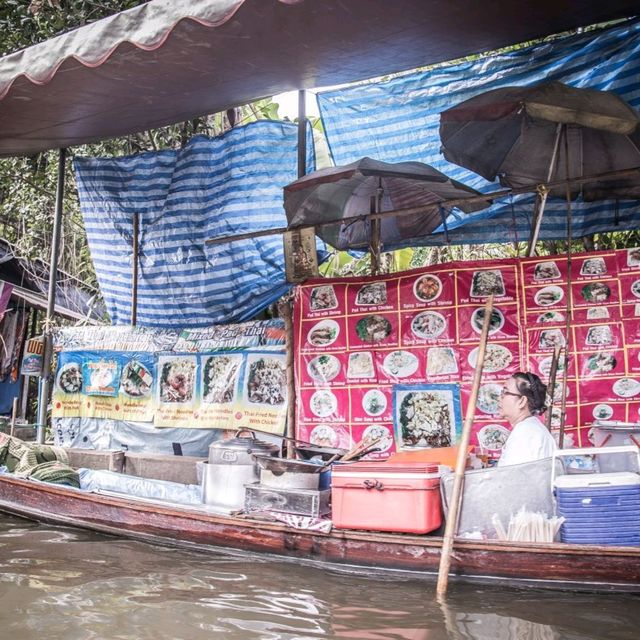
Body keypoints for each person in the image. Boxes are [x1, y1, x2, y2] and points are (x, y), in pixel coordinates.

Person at [497, 372, 557, 467]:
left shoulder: (525, 434)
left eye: (505, 392)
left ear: (522, 401)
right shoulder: (529, 428)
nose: (499, 398)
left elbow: (513, 478)